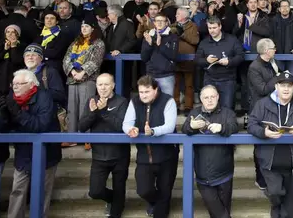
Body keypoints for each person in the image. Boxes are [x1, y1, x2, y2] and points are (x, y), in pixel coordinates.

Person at [247, 71, 293, 218]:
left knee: (289, 204)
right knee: (276, 192)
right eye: (282, 85)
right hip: (269, 160)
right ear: (276, 86)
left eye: (289, 86)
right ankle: (276, 205)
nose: (286, 89)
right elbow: (251, 125)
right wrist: (264, 132)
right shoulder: (262, 104)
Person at [2, 69, 62, 218]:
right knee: (18, 190)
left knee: (43, 191)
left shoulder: (44, 97)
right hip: (23, 152)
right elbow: (4, 125)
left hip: (47, 153)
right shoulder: (12, 97)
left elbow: (39, 126)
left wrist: (17, 112)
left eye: (19, 84)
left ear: (30, 85)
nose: (15, 87)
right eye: (13, 84)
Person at [122, 75, 179, 218]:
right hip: (144, 156)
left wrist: (153, 131)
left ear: (155, 90)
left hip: (167, 156)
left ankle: (161, 207)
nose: (143, 95)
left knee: (164, 195)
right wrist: (130, 129)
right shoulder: (134, 102)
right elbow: (126, 123)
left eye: (147, 92)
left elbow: (170, 126)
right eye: (141, 92)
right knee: (143, 190)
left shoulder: (168, 101)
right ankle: (157, 202)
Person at [182, 85, 239, 218]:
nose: (209, 100)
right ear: (201, 99)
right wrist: (191, 126)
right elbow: (184, 129)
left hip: (225, 173)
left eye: (212, 96)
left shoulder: (228, 113)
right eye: (206, 97)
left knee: (222, 211)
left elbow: (234, 126)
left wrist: (222, 127)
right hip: (203, 175)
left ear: (218, 97)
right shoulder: (195, 113)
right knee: (222, 215)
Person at [78, 73, 130, 218]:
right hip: (99, 155)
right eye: (100, 84)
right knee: (95, 192)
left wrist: (103, 112)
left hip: (119, 154)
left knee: (119, 191)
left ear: (113, 85)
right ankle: (115, 199)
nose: (103, 88)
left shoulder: (122, 102)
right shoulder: (92, 100)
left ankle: (117, 205)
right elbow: (82, 126)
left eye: (106, 84)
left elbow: (121, 126)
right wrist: (94, 113)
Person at [62, 16, 106, 146]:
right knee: (72, 108)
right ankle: (72, 138)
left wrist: (83, 73)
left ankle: (87, 138)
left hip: (88, 79)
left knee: (85, 108)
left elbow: (96, 61)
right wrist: (72, 71)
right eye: (82, 27)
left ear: (93, 29)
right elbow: (66, 59)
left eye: (87, 26)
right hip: (72, 78)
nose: (84, 29)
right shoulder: (75, 43)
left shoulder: (98, 43)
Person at [247, 38, 284, 189]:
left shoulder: (273, 62)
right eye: (273, 48)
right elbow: (262, 89)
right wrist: (278, 78)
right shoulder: (254, 67)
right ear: (266, 51)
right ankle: (260, 178)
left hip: (275, 107)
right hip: (260, 110)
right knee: (261, 145)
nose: (275, 50)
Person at [195, 16, 244, 110]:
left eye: (214, 28)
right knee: (210, 108)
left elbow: (241, 56)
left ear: (220, 26)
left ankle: (226, 125)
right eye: (209, 28)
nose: (212, 31)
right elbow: (197, 59)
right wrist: (206, 61)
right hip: (210, 79)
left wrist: (229, 61)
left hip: (228, 79)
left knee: (227, 108)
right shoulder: (204, 42)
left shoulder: (232, 39)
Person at [141, 12, 179, 96]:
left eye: (162, 21)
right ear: (154, 22)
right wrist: (150, 44)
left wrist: (160, 44)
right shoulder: (149, 36)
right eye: (157, 21)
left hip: (167, 75)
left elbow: (173, 56)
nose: (159, 23)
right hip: (151, 75)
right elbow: (144, 57)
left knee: (167, 103)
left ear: (166, 23)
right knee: (151, 103)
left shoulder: (173, 36)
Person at [23, 43, 67, 116]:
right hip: (24, 118)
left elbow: (61, 96)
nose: (30, 57)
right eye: (27, 55)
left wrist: (37, 91)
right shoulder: (20, 75)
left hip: (46, 117)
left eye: (34, 55)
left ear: (41, 58)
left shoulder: (50, 72)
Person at [171, 7, 200, 113]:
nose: (176, 16)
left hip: (188, 60)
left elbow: (195, 40)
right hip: (175, 59)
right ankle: (175, 105)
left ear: (184, 16)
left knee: (189, 85)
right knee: (175, 84)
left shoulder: (193, 26)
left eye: (178, 14)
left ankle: (188, 107)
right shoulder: (172, 26)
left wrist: (182, 35)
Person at [270, 0, 293, 78]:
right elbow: (270, 36)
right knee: (279, 78)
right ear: (279, 9)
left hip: (292, 55)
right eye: (282, 6)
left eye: (286, 6)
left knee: (292, 77)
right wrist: (273, 49)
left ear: (289, 8)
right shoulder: (274, 20)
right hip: (278, 54)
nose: (285, 8)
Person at [35, 9, 72, 80]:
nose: (49, 20)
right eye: (47, 18)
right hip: (39, 66)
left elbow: (55, 53)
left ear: (57, 21)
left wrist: (40, 51)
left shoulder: (62, 35)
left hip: (55, 68)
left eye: (52, 18)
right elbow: (34, 49)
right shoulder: (40, 34)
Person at [0, 25, 25, 96]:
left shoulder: (22, 46)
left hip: (14, 81)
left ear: (18, 35)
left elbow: (16, 61)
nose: (10, 34)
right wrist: (5, 50)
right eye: (8, 32)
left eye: (13, 32)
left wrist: (13, 47)